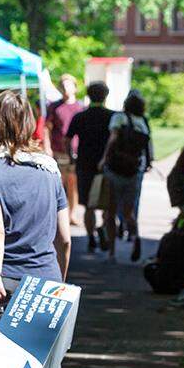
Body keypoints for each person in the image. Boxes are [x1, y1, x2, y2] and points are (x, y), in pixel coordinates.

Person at [0, 90, 71, 354]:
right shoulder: (49, 169)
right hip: (46, 278)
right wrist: (58, 279)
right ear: (28, 124)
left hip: (1, 282)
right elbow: (64, 238)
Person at [101, 89, 153, 263]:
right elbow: (147, 146)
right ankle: (135, 236)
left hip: (115, 169)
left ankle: (112, 252)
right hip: (134, 171)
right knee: (129, 212)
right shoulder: (143, 122)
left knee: (110, 212)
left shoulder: (119, 118)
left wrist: (103, 159)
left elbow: (113, 139)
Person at [66, 82, 114, 252]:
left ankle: (91, 236)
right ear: (106, 96)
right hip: (107, 166)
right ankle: (103, 231)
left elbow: (68, 139)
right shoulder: (113, 117)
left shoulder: (80, 117)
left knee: (88, 205)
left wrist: (72, 158)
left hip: (84, 164)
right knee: (108, 204)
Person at [46, 75, 85, 225]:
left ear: (75, 87)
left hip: (75, 151)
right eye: (62, 85)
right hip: (58, 150)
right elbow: (47, 128)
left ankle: (72, 214)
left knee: (73, 183)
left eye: (68, 85)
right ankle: (58, 214)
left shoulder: (80, 107)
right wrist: (47, 147)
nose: (65, 88)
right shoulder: (54, 107)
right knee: (58, 183)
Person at [144, 205, 184, 295]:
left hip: (161, 282)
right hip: (182, 283)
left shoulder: (168, 236)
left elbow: (159, 258)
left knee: (149, 263)